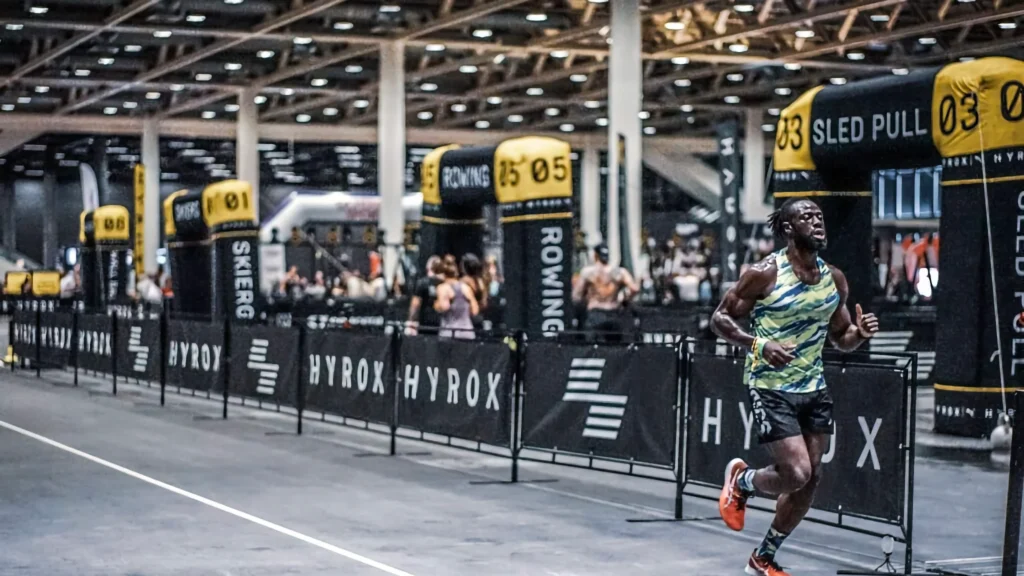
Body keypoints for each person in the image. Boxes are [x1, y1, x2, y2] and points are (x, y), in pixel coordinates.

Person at [711, 198, 879, 576]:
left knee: (811, 478)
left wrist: (860, 334)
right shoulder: (763, 273)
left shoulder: (834, 279)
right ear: (788, 228)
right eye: (807, 217)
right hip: (770, 385)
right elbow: (719, 318)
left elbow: (841, 338)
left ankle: (763, 557)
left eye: (820, 216)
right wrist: (759, 344)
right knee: (798, 472)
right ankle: (743, 481)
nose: (817, 222)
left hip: (813, 386)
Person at [572, 244, 639, 341]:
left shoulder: (588, 272)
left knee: (592, 349)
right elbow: (634, 288)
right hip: (614, 313)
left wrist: (585, 300)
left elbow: (576, 295)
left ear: (595, 255)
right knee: (615, 349)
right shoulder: (619, 272)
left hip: (595, 313)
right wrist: (624, 299)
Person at [434, 256, 479, 340]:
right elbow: (475, 310)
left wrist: (436, 304)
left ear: (443, 274)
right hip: (467, 333)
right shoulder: (466, 288)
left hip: (449, 333)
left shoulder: (442, 288)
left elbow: (444, 306)